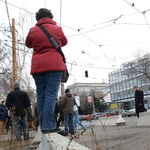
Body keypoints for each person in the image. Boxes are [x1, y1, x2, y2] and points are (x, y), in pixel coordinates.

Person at [26, 8, 68, 134]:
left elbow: (28, 44)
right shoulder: (58, 29)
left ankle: (44, 125)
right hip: (54, 66)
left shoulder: (32, 30)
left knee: (41, 96)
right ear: (50, 17)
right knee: (50, 95)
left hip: (38, 67)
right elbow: (65, 42)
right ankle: (48, 126)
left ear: (38, 19)